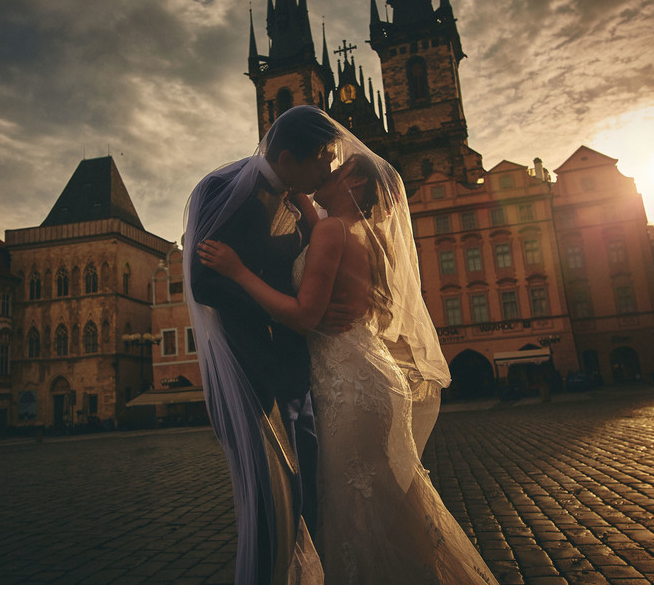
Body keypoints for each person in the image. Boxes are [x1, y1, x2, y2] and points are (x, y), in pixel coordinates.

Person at [198, 121, 498, 585]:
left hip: (348, 386)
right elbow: (324, 234)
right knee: (385, 502)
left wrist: (238, 271)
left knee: (352, 509)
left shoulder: (334, 231)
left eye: (336, 168)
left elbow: (302, 315)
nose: (326, 170)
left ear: (354, 183)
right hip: (368, 372)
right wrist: (298, 195)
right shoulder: (353, 231)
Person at [184, 106, 353, 584]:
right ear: (286, 156)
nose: (328, 169)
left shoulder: (296, 198)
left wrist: (312, 312)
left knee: (306, 493)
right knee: (270, 501)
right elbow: (204, 282)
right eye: (321, 159)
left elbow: (292, 271)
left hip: (295, 365)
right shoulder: (224, 189)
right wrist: (291, 314)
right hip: (250, 364)